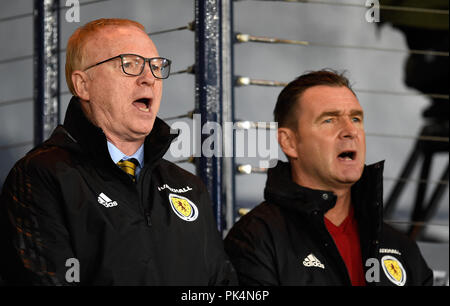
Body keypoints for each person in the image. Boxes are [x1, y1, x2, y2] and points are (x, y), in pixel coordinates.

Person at [0, 18, 236, 285]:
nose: (149, 78)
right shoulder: (40, 177)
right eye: (130, 64)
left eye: (156, 66)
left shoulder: (189, 186)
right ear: (83, 85)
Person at [224, 70, 433, 286]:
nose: (350, 130)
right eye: (329, 120)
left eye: (355, 118)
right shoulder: (256, 239)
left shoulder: (400, 247)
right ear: (289, 142)